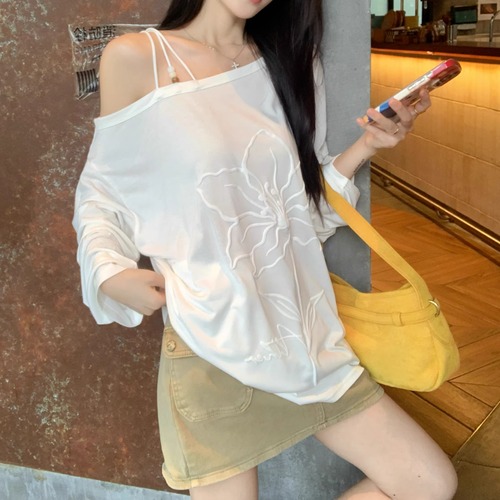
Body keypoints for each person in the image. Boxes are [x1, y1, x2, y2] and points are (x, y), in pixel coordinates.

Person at [73, 0, 458, 498]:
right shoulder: (135, 57)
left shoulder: (288, 62)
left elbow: (300, 211)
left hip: (304, 338)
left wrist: (368, 146)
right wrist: (109, 273)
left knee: (429, 483)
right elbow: (103, 194)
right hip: (211, 341)